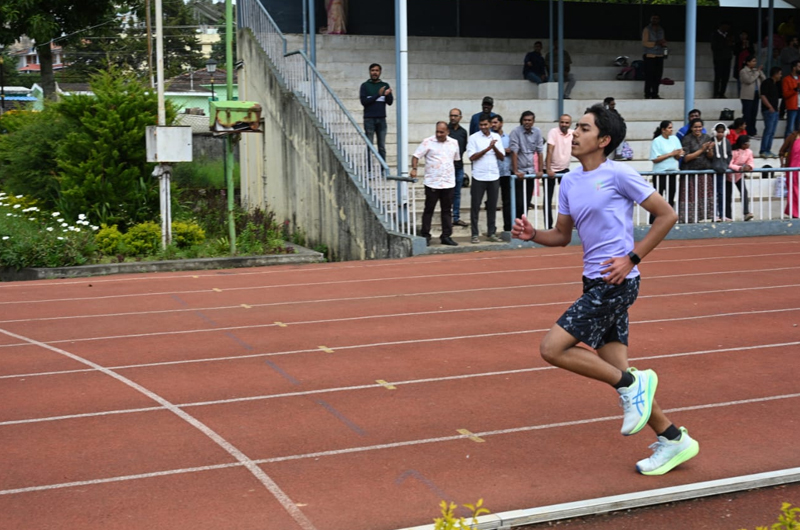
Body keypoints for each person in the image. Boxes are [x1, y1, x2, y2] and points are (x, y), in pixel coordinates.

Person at [511, 104, 698, 477]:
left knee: (552, 348)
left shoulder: (619, 175)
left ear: (604, 139)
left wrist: (632, 258)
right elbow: (562, 236)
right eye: (574, 128)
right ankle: (674, 439)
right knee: (615, 367)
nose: (574, 133)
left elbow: (667, 215)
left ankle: (633, 383)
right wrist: (534, 235)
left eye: (583, 128)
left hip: (618, 282)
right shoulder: (569, 181)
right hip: (592, 282)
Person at [411, 122, 461, 247]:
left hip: (448, 182)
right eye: (437, 131)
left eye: (441, 132)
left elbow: (455, 159)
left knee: (446, 211)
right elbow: (416, 156)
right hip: (432, 182)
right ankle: (426, 235)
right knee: (429, 209)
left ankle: (446, 236)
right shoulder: (428, 141)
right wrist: (414, 168)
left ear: (447, 132)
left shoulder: (454, 143)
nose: (438, 134)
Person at [466, 116, 504, 243]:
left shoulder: (496, 137)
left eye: (485, 124)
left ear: (490, 125)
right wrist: (487, 148)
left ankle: (491, 233)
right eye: (481, 125)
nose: (483, 127)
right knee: (475, 206)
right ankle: (474, 234)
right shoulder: (473, 138)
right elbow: (472, 157)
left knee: (492, 206)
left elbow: (502, 157)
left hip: (493, 175)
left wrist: (494, 147)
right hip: (479, 176)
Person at [509, 111, 545, 224]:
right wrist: (515, 171)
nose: (527, 122)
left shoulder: (537, 132)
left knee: (527, 201)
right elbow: (514, 152)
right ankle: (516, 225)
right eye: (525, 120)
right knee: (518, 201)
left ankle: (523, 225)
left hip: (530, 171)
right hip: (519, 171)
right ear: (522, 120)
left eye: (529, 120)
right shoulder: (516, 132)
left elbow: (540, 152)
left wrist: (539, 170)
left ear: (533, 121)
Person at [680, 118, 715, 223]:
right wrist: (701, 150)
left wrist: (709, 150)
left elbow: (710, 156)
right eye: (695, 127)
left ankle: (706, 218)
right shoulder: (686, 139)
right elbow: (686, 158)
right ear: (691, 128)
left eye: (700, 127)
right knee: (690, 197)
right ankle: (689, 219)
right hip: (690, 174)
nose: (698, 129)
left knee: (704, 197)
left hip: (704, 173)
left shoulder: (707, 137)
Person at [649, 120, 684, 224]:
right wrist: (671, 154)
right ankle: (653, 221)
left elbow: (678, 155)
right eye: (669, 128)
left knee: (670, 197)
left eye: (671, 127)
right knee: (658, 198)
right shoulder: (657, 141)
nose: (671, 130)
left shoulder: (674, 139)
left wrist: (679, 154)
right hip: (660, 174)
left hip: (672, 172)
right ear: (663, 130)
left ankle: (668, 221)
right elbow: (655, 158)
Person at [360, 63, 393, 166]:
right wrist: (377, 95)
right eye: (373, 70)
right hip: (369, 119)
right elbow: (364, 102)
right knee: (369, 145)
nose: (375, 72)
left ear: (380, 72)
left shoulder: (385, 85)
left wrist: (387, 95)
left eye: (377, 70)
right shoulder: (365, 86)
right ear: (370, 72)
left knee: (382, 146)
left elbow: (390, 102)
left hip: (381, 119)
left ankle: (383, 169)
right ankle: (369, 169)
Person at [544, 114, 573, 229]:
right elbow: (549, 150)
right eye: (562, 122)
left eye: (566, 123)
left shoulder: (573, 133)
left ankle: (571, 223)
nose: (564, 125)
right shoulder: (553, 132)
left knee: (571, 197)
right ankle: (548, 225)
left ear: (570, 124)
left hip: (564, 169)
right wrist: (549, 168)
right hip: (550, 169)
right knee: (548, 199)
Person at [493, 115, 516, 233]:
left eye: (496, 122)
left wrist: (508, 150)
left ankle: (508, 227)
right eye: (492, 122)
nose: (493, 125)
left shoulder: (508, 138)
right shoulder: (489, 138)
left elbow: (513, 150)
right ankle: (491, 229)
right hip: (493, 173)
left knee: (507, 201)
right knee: (492, 202)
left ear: (501, 123)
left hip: (506, 172)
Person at [447, 108, 470, 228]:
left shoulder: (463, 132)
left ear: (460, 117)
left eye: (455, 116)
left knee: (457, 193)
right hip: (446, 168)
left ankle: (456, 217)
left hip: (459, 166)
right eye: (451, 115)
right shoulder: (446, 130)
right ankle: (446, 217)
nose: (453, 118)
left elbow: (464, 148)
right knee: (446, 194)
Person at [727, 135, 755, 221]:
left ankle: (746, 212)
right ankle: (728, 216)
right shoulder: (733, 152)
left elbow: (751, 162)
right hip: (728, 176)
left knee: (744, 193)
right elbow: (729, 164)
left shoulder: (749, 152)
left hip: (739, 176)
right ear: (742, 144)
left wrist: (749, 167)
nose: (748, 145)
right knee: (728, 196)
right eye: (746, 143)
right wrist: (740, 168)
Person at [710, 122, 733, 221]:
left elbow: (729, 155)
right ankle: (714, 214)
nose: (720, 134)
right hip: (713, 171)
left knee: (721, 193)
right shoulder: (711, 141)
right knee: (713, 193)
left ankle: (722, 214)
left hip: (722, 170)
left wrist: (726, 165)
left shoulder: (727, 142)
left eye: (722, 132)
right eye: (718, 132)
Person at [642, 15, 667, 100]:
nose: (655, 20)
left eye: (657, 19)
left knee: (658, 76)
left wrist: (663, 44)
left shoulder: (661, 30)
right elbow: (645, 43)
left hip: (659, 54)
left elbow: (662, 40)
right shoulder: (647, 29)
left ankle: (655, 93)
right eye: (653, 19)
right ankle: (647, 93)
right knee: (649, 75)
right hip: (650, 55)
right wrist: (656, 43)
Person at [739, 56, 765, 137]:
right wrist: (757, 73)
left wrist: (760, 72)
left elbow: (764, 79)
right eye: (753, 61)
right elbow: (748, 80)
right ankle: (745, 131)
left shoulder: (755, 71)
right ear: (748, 62)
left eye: (755, 61)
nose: (755, 63)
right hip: (747, 96)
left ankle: (753, 131)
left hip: (756, 95)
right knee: (747, 114)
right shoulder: (743, 71)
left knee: (754, 114)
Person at [760, 66, 782, 158]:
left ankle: (768, 150)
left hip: (775, 110)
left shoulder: (776, 84)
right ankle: (763, 150)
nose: (781, 75)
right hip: (769, 110)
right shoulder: (766, 83)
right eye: (780, 73)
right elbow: (763, 96)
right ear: (775, 74)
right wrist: (769, 107)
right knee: (768, 130)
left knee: (772, 131)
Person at [779, 130, 800, 218]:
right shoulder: (792, 136)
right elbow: (781, 152)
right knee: (793, 191)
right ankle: (795, 213)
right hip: (792, 169)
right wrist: (782, 164)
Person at [711, 22, 734, 99]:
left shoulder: (728, 35)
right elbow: (714, 47)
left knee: (725, 77)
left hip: (727, 58)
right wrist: (725, 43)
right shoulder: (715, 35)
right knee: (718, 76)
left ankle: (722, 93)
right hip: (719, 58)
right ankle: (716, 93)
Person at [782, 60, 800, 136]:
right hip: (792, 107)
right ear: (794, 68)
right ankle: (787, 147)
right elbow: (785, 94)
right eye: (799, 66)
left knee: (798, 129)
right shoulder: (786, 79)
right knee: (790, 129)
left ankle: (796, 147)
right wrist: (795, 89)